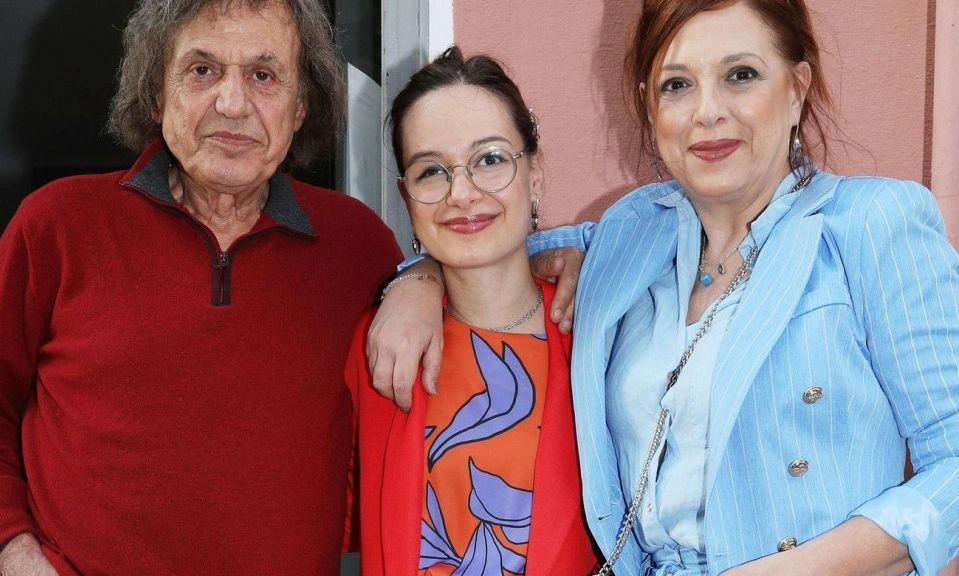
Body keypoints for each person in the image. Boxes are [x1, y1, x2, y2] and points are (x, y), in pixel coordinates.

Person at [369, 1, 959, 575]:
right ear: (650, 110)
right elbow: (485, 237)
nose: (707, 112)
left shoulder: (870, 223)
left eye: (740, 75)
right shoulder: (633, 233)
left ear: (796, 89)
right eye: (677, 85)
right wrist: (417, 280)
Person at [0, 0, 401, 573]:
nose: (232, 104)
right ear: (157, 92)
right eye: (202, 69)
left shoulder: (359, 246)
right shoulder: (57, 226)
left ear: (300, 107)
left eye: (263, 75)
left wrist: (423, 277)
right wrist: (14, 551)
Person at [345, 46, 599, 575]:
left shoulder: (600, 334)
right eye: (431, 171)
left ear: (535, 173)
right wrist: (417, 277)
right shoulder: (382, 344)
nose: (461, 193)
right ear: (407, 197)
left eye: (490, 159)